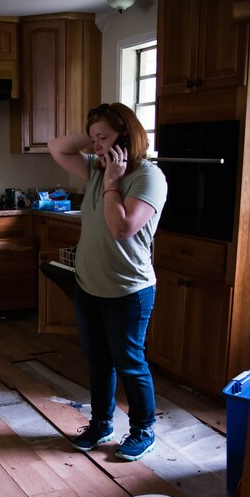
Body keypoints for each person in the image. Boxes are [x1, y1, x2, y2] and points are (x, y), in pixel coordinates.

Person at [48, 102, 168, 461]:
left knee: (130, 362)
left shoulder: (148, 177)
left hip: (129, 290)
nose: (97, 145)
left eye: (105, 137)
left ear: (126, 137)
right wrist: (95, 139)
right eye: (94, 138)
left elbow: (122, 228)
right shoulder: (97, 168)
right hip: (89, 285)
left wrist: (114, 179)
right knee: (97, 360)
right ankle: (101, 423)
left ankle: (143, 430)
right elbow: (57, 147)